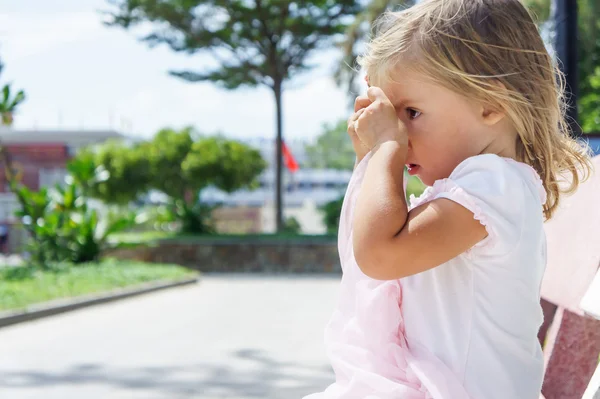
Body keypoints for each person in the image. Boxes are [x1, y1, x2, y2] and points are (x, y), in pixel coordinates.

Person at [304, 0, 593, 398]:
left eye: (412, 112)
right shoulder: (476, 188)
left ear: (491, 104)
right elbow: (372, 250)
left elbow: (380, 256)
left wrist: (385, 147)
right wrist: (373, 156)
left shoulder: (496, 186)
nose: (400, 132)